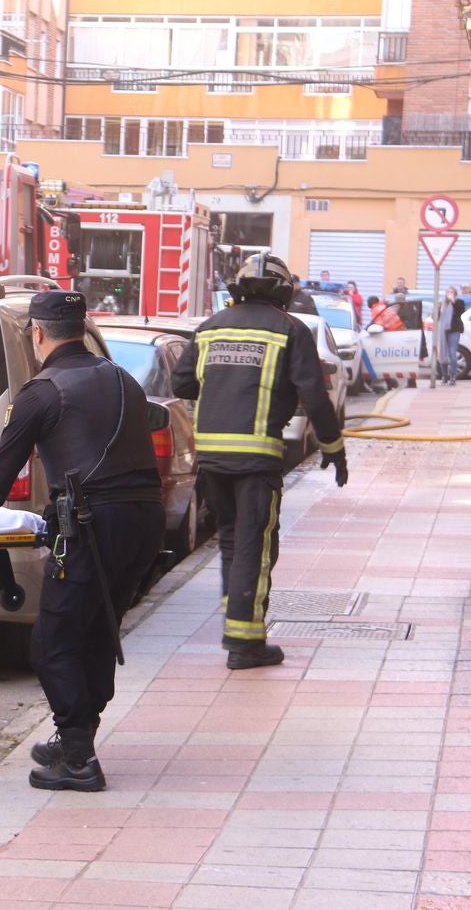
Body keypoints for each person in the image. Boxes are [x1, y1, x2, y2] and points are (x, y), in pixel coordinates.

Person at [0, 289, 163, 792]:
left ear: (38, 333)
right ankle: (76, 737)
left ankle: (78, 761)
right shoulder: (123, 379)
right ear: (83, 329)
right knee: (97, 633)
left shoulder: (42, 392)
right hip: (144, 525)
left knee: (52, 645)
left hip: (93, 528)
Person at [172, 253, 347, 670]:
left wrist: (223, 387)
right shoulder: (291, 329)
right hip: (257, 458)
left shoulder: (211, 327)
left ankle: (240, 630)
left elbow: (181, 382)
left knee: (232, 541)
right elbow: (316, 396)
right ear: (285, 292)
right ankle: (245, 642)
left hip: (212, 457)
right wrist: (334, 449)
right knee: (256, 543)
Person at [433, 286, 465, 385]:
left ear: (455, 293)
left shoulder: (458, 302)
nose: (449, 294)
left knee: (452, 353)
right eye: (448, 292)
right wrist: (438, 308)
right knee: (443, 353)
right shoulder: (443, 304)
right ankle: (444, 375)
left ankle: (453, 375)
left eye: (451, 292)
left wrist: (453, 301)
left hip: (454, 330)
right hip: (443, 331)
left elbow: (460, 311)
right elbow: (436, 317)